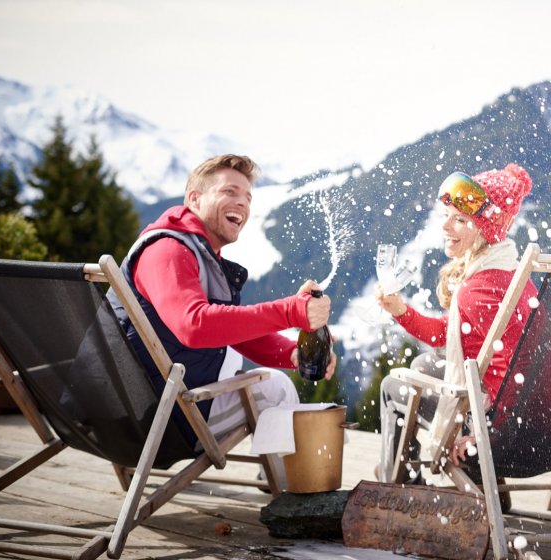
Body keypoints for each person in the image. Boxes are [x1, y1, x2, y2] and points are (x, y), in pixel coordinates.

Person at [107, 154, 336, 487]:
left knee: (261, 373)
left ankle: (281, 478)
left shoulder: (192, 252)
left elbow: (228, 330)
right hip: (159, 421)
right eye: (230, 192)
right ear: (194, 199)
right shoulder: (168, 251)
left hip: (136, 409)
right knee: (275, 390)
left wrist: (291, 355)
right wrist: (290, 311)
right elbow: (195, 326)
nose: (241, 203)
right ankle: (288, 490)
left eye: (247, 198)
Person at [376, 163, 537, 484]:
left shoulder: (478, 291)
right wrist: (401, 310)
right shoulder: (515, 277)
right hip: (537, 434)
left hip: (499, 435)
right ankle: (488, 486)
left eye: (461, 220)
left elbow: (514, 370)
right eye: (447, 215)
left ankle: (401, 482)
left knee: (392, 385)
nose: (446, 226)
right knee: (425, 363)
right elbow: (452, 336)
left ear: (486, 230)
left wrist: (482, 435)